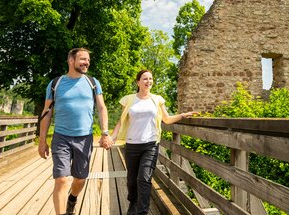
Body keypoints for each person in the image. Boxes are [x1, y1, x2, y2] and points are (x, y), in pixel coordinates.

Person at [109, 69, 197, 215]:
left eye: (150, 78)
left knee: (144, 178)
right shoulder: (129, 99)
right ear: (138, 82)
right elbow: (121, 121)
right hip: (132, 145)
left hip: (150, 145)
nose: (148, 81)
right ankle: (133, 202)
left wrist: (182, 115)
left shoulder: (157, 99)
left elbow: (166, 119)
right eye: (144, 79)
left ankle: (142, 211)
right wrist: (112, 136)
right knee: (132, 179)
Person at [38, 48, 113, 215]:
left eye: (88, 60)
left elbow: (101, 108)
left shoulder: (92, 82)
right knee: (62, 179)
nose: (87, 62)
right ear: (71, 61)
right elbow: (47, 112)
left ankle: (73, 198)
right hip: (61, 137)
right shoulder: (55, 83)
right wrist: (42, 141)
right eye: (83, 59)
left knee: (80, 180)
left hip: (84, 138)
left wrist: (105, 133)